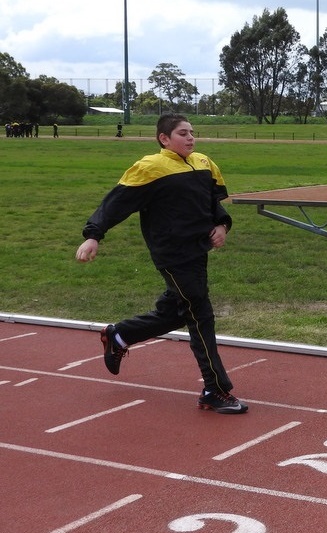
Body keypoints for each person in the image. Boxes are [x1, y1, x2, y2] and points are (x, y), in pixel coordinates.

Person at [75, 113, 248, 414]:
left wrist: (222, 224)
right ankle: (215, 390)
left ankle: (119, 335)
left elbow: (213, 203)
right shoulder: (150, 167)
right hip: (172, 253)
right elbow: (116, 202)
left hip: (198, 250)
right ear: (164, 139)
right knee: (200, 314)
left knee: (177, 312)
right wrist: (93, 235)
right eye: (183, 133)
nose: (191, 137)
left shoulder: (204, 163)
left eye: (192, 132)